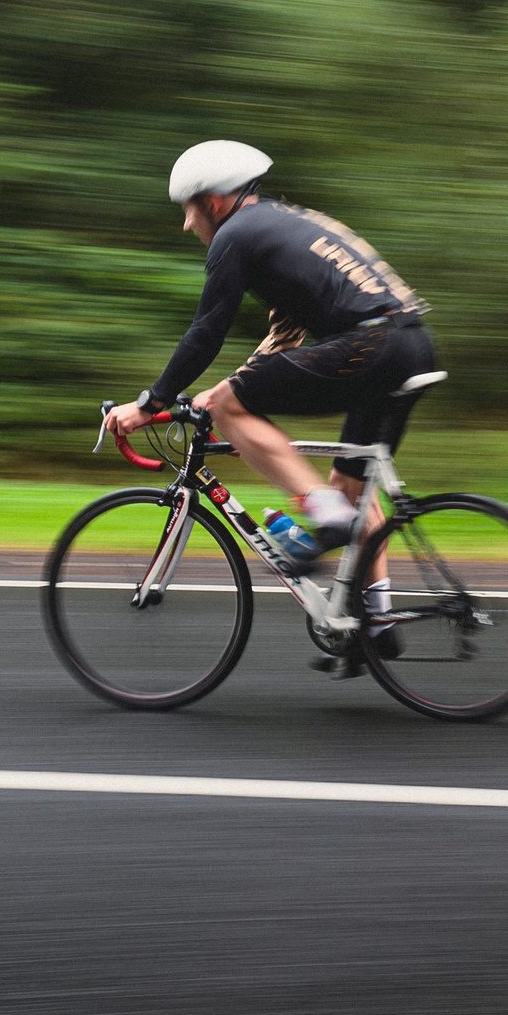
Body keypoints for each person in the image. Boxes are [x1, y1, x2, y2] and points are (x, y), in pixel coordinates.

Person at [104, 140, 435, 660]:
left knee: (242, 421)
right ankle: (377, 623)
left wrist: (150, 402)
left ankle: (322, 521)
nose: (187, 226)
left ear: (213, 202)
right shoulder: (283, 224)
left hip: (370, 344)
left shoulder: (235, 235)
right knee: (350, 485)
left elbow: (205, 331)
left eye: (188, 211)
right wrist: (226, 391)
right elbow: (284, 338)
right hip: (409, 345)